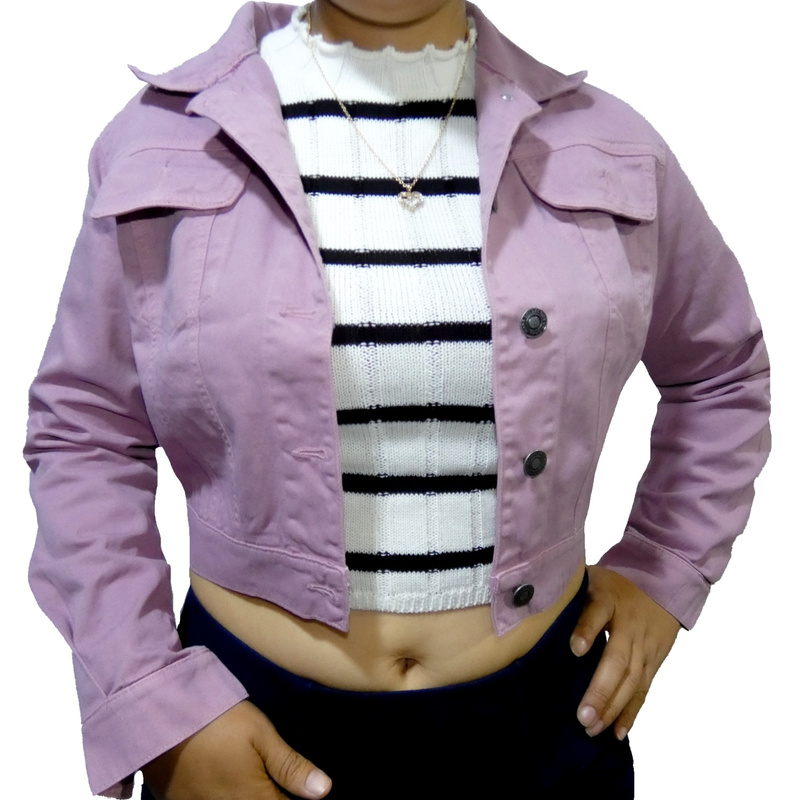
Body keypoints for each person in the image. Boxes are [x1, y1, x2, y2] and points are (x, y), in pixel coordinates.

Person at [23, 1, 770, 798]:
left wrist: (662, 567)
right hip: (245, 730)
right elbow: (85, 429)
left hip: (547, 727)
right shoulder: (163, 143)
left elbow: (720, 372)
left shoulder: (609, 144)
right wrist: (154, 699)